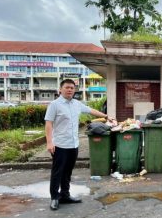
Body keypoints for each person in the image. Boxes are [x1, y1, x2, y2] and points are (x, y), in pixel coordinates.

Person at [45, 79, 113, 211]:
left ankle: (65, 195)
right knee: (57, 172)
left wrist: (106, 116)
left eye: (72, 88)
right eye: (67, 87)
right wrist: (49, 142)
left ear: (74, 90)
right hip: (59, 145)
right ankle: (54, 197)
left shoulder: (76, 104)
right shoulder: (54, 105)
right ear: (60, 89)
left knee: (68, 172)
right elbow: (48, 124)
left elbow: (91, 110)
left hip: (73, 144)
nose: (70, 89)